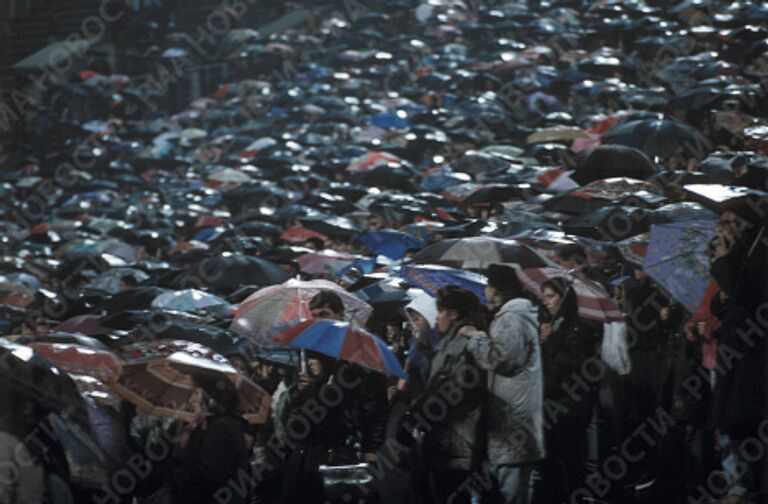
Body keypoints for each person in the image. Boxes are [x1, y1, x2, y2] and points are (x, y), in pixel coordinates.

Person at [458, 264, 545, 504]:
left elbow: (502, 359)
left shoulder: (513, 318)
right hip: (513, 417)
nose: (485, 290)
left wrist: (475, 336)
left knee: (513, 492)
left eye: (488, 285)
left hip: (514, 419)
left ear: (496, 288)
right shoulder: (512, 315)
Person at [412, 286, 488, 504]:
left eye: (440, 311)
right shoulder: (450, 341)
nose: (437, 317)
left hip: (456, 440)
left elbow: (459, 387)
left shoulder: (464, 342)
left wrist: (423, 413)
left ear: (454, 314)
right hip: (444, 439)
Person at [535, 276, 602, 504]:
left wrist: (553, 341)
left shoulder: (580, 328)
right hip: (550, 401)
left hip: (571, 405)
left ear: (564, 297)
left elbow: (576, 367)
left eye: (551, 296)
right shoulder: (551, 324)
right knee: (550, 458)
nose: (546, 302)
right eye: (544, 297)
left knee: (572, 458)